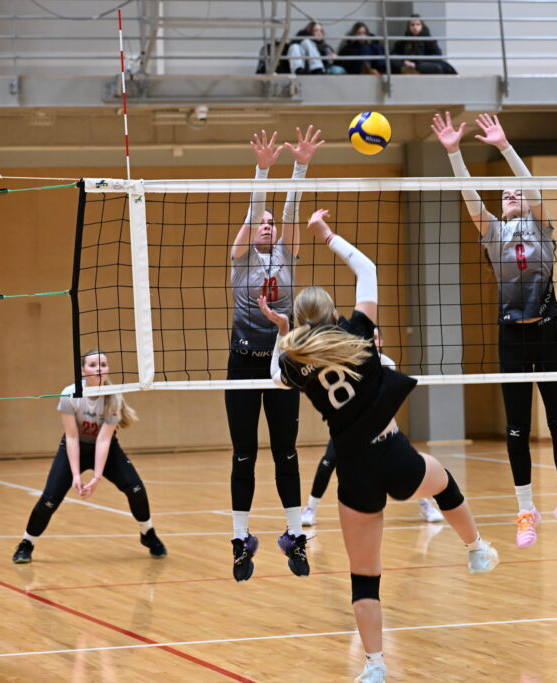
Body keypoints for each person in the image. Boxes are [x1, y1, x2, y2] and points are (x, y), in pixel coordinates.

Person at [259, 208, 498, 683]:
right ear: (333, 314)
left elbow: (274, 376)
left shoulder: (294, 362)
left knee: (364, 577)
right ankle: (475, 547)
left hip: (354, 471)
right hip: (393, 453)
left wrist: (283, 335)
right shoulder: (358, 335)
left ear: (299, 324)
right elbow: (367, 269)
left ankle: (374, 667)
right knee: (443, 483)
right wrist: (326, 235)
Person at [432, 111, 557, 548]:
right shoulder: (493, 233)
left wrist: (504, 147)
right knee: (516, 428)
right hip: (511, 337)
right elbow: (469, 197)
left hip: (548, 333)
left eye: (516, 191)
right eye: (505, 193)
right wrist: (455, 153)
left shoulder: (542, 228)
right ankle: (525, 510)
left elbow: (530, 186)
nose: (511, 193)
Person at [226, 126, 324, 582]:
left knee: (286, 452)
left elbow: (290, 212)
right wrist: (262, 170)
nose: (267, 225)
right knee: (244, 453)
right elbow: (255, 209)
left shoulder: (287, 252)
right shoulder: (240, 255)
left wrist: (299, 166)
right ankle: (240, 539)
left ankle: (294, 535)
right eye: (260, 222)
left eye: (270, 223)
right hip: (243, 363)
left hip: (283, 362)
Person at [11, 350, 166, 563]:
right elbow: (72, 436)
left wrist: (96, 477)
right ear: (83, 371)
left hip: (106, 450)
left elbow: (103, 440)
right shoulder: (70, 393)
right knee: (49, 500)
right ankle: (26, 544)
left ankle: (147, 533)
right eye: (93, 365)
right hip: (74, 447)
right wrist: (75, 475)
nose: (99, 369)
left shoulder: (114, 396)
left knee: (136, 489)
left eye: (103, 364)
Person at [300, 326, 443, 527]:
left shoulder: (387, 363)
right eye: (370, 337)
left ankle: (425, 504)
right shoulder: (353, 360)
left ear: (381, 342)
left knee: (404, 464)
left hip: (380, 426)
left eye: (376, 337)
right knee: (328, 461)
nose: (373, 340)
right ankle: (310, 508)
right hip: (351, 428)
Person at [391, 15, 456, 75]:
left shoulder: (428, 40)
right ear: (408, 27)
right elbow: (394, 54)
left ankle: (413, 71)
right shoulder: (403, 41)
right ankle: (408, 71)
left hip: (422, 65)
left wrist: (416, 64)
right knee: (393, 60)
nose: (415, 27)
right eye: (412, 25)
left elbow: (437, 55)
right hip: (406, 66)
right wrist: (404, 62)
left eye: (418, 24)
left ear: (422, 26)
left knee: (425, 66)